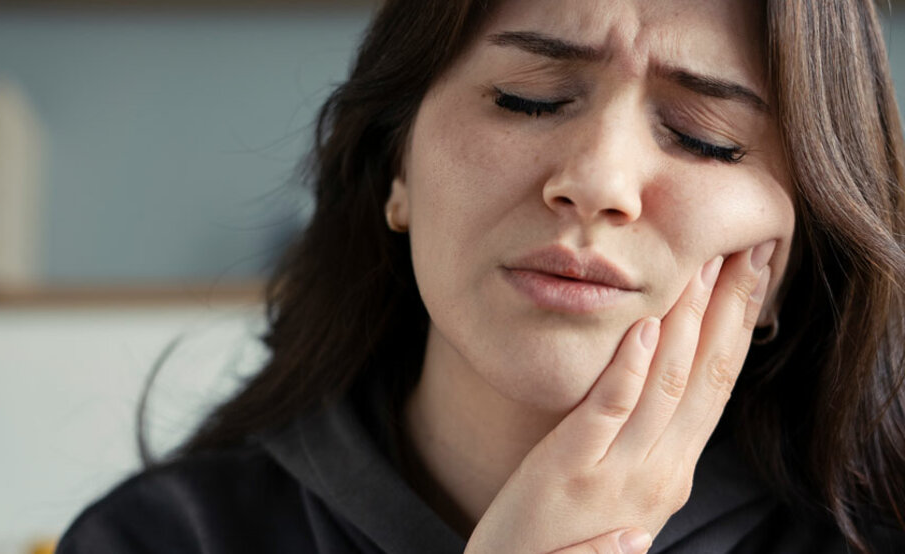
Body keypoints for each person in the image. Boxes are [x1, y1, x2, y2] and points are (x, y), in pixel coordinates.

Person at [56, 0, 905, 552]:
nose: (597, 182)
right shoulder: (162, 536)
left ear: (794, 256)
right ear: (398, 168)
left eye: (704, 137)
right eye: (528, 98)